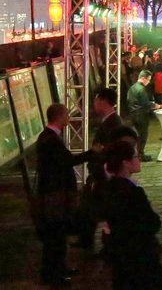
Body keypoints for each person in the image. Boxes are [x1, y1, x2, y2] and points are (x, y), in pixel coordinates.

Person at [34, 104, 98, 286]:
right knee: (56, 235)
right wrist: (91, 153)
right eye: (66, 115)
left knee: (57, 235)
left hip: (54, 194)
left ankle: (59, 269)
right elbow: (67, 161)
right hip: (55, 195)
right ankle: (54, 275)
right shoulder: (51, 140)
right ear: (59, 117)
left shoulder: (48, 137)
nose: (69, 117)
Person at [102, 141, 162, 290]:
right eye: (136, 156)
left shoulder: (110, 188)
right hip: (139, 259)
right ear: (125, 163)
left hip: (121, 259)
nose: (139, 160)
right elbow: (153, 223)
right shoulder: (133, 193)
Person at [75, 88, 124, 250]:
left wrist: (98, 158)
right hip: (100, 172)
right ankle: (87, 240)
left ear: (103, 101)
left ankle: (104, 245)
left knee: (99, 211)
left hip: (103, 173)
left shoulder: (113, 123)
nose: (94, 104)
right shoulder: (110, 122)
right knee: (90, 208)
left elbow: (107, 150)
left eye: (96, 100)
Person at [127, 70, 162, 161]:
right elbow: (146, 103)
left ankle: (136, 153)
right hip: (141, 115)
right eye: (148, 79)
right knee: (143, 136)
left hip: (133, 114)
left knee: (136, 135)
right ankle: (140, 155)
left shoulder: (132, 87)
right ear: (143, 78)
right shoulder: (141, 89)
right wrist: (156, 106)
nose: (149, 82)